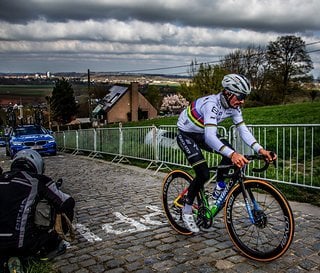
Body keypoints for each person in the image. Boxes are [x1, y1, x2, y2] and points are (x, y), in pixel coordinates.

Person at [176, 73, 277, 233]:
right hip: (187, 134)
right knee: (203, 173)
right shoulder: (212, 104)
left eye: (245, 97)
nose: (242, 101)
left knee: (229, 151)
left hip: (202, 132)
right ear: (228, 93)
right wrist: (232, 155)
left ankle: (219, 188)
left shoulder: (234, 107)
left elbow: (243, 130)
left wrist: (260, 149)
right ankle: (186, 210)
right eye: (240, 96)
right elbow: (210, 137)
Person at [0, 149, 75, 271]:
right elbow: (67, 202)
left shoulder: (3, 178)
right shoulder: (38, 180)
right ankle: (48, 247)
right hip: (25, 244)